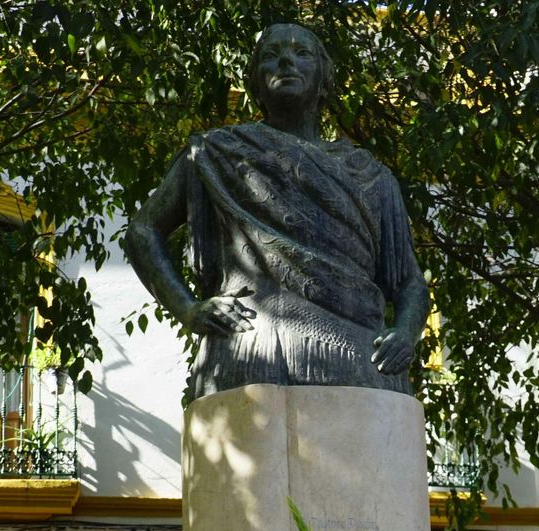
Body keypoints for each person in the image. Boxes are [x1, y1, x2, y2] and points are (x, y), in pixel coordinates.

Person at [126, 22, 429, 400]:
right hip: (252, 345)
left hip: (362, 357)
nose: (286, 60)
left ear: (324, 80)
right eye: (271, 55)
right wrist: (188, 309)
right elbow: (142, 232)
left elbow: (408, 282)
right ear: (255, 82)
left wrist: (405, 332)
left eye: (301, 53)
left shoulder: (371, 177)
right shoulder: (217, 152)